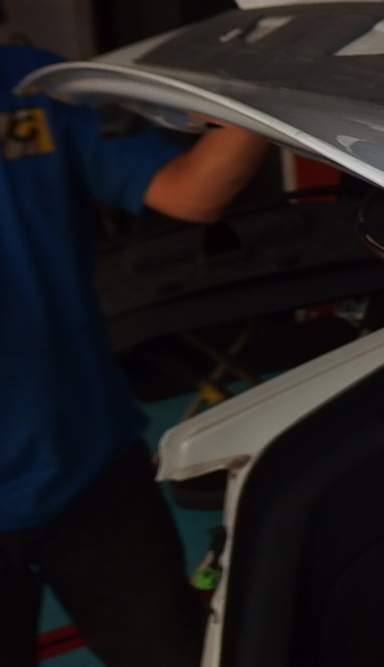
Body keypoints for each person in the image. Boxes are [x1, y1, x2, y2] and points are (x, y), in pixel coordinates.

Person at [0, 41, 271, 667]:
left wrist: (270, 87)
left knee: (172, 652)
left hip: (87, 461)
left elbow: (190, 193)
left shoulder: (31, 83)